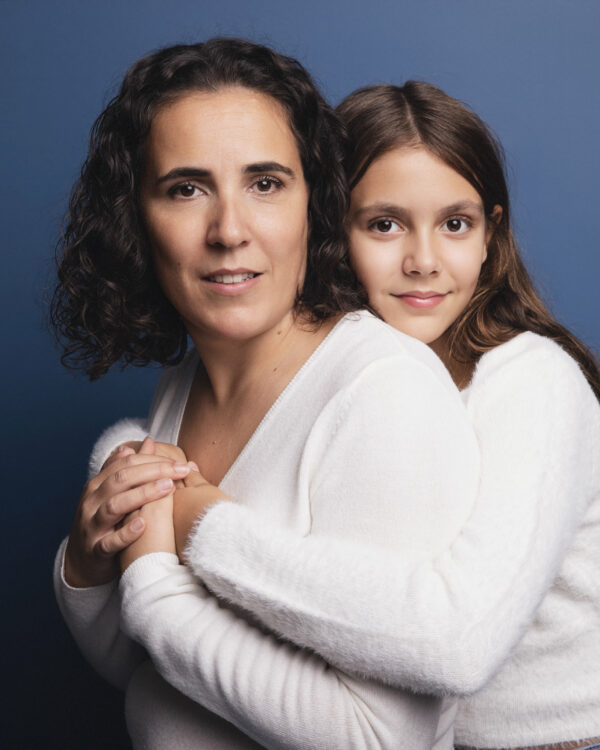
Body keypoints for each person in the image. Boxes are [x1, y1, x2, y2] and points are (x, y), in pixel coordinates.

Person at [99, 82, 600, 749]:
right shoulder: (337, 377)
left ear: (490, 236)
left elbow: (458, 641)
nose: (423, 262)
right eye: (384, 225)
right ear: (331, 226)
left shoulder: (532, 383)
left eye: (456, 224)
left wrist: (203, 526)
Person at [52, 42, 482, 750]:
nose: (228, 231)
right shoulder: (181, 386)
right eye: (186, 188)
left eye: (266, 184)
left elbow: (380, 737)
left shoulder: (380, 392)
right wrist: (87, 570)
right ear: (136, 217)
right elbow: (148, 676)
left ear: (316, 202)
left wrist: (158, 578)